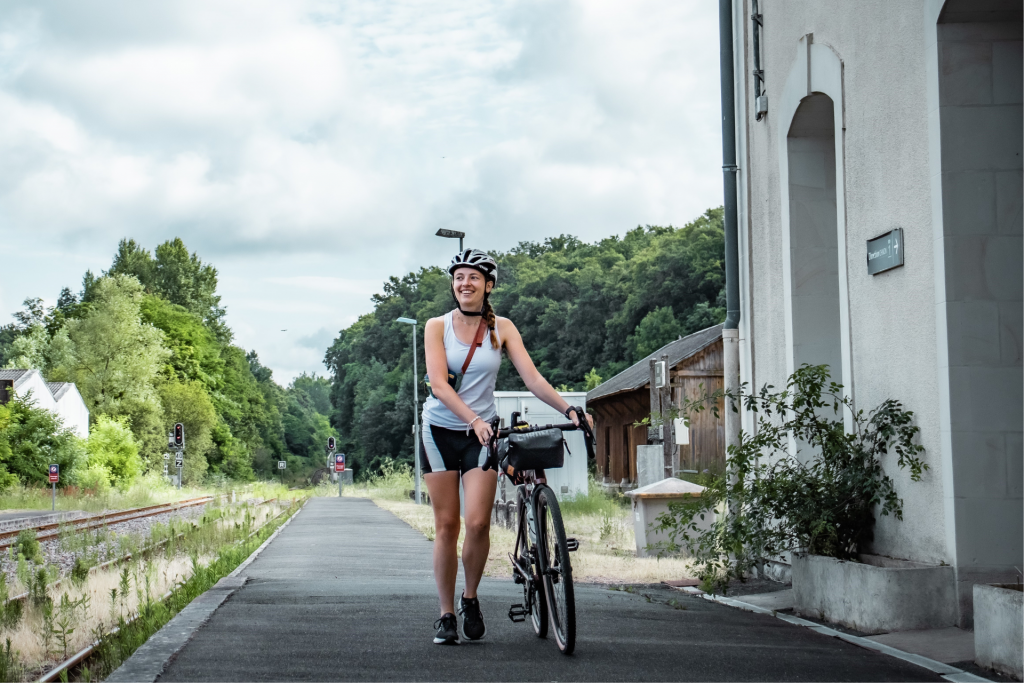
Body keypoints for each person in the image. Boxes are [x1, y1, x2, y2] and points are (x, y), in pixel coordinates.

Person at [421, 248, 593, 645]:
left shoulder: (501, 329)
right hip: (441, 431)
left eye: (473, 277)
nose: (465, 283)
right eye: (459, 277)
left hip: (483, 435)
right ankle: (446, 614)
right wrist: (474, 419)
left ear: (488, 285)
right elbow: (439, 385)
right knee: (447, 525)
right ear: (453, 284)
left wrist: (569, 409)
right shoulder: (437, 326)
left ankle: (470, 598)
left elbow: (532, 379)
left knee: (478, 523)